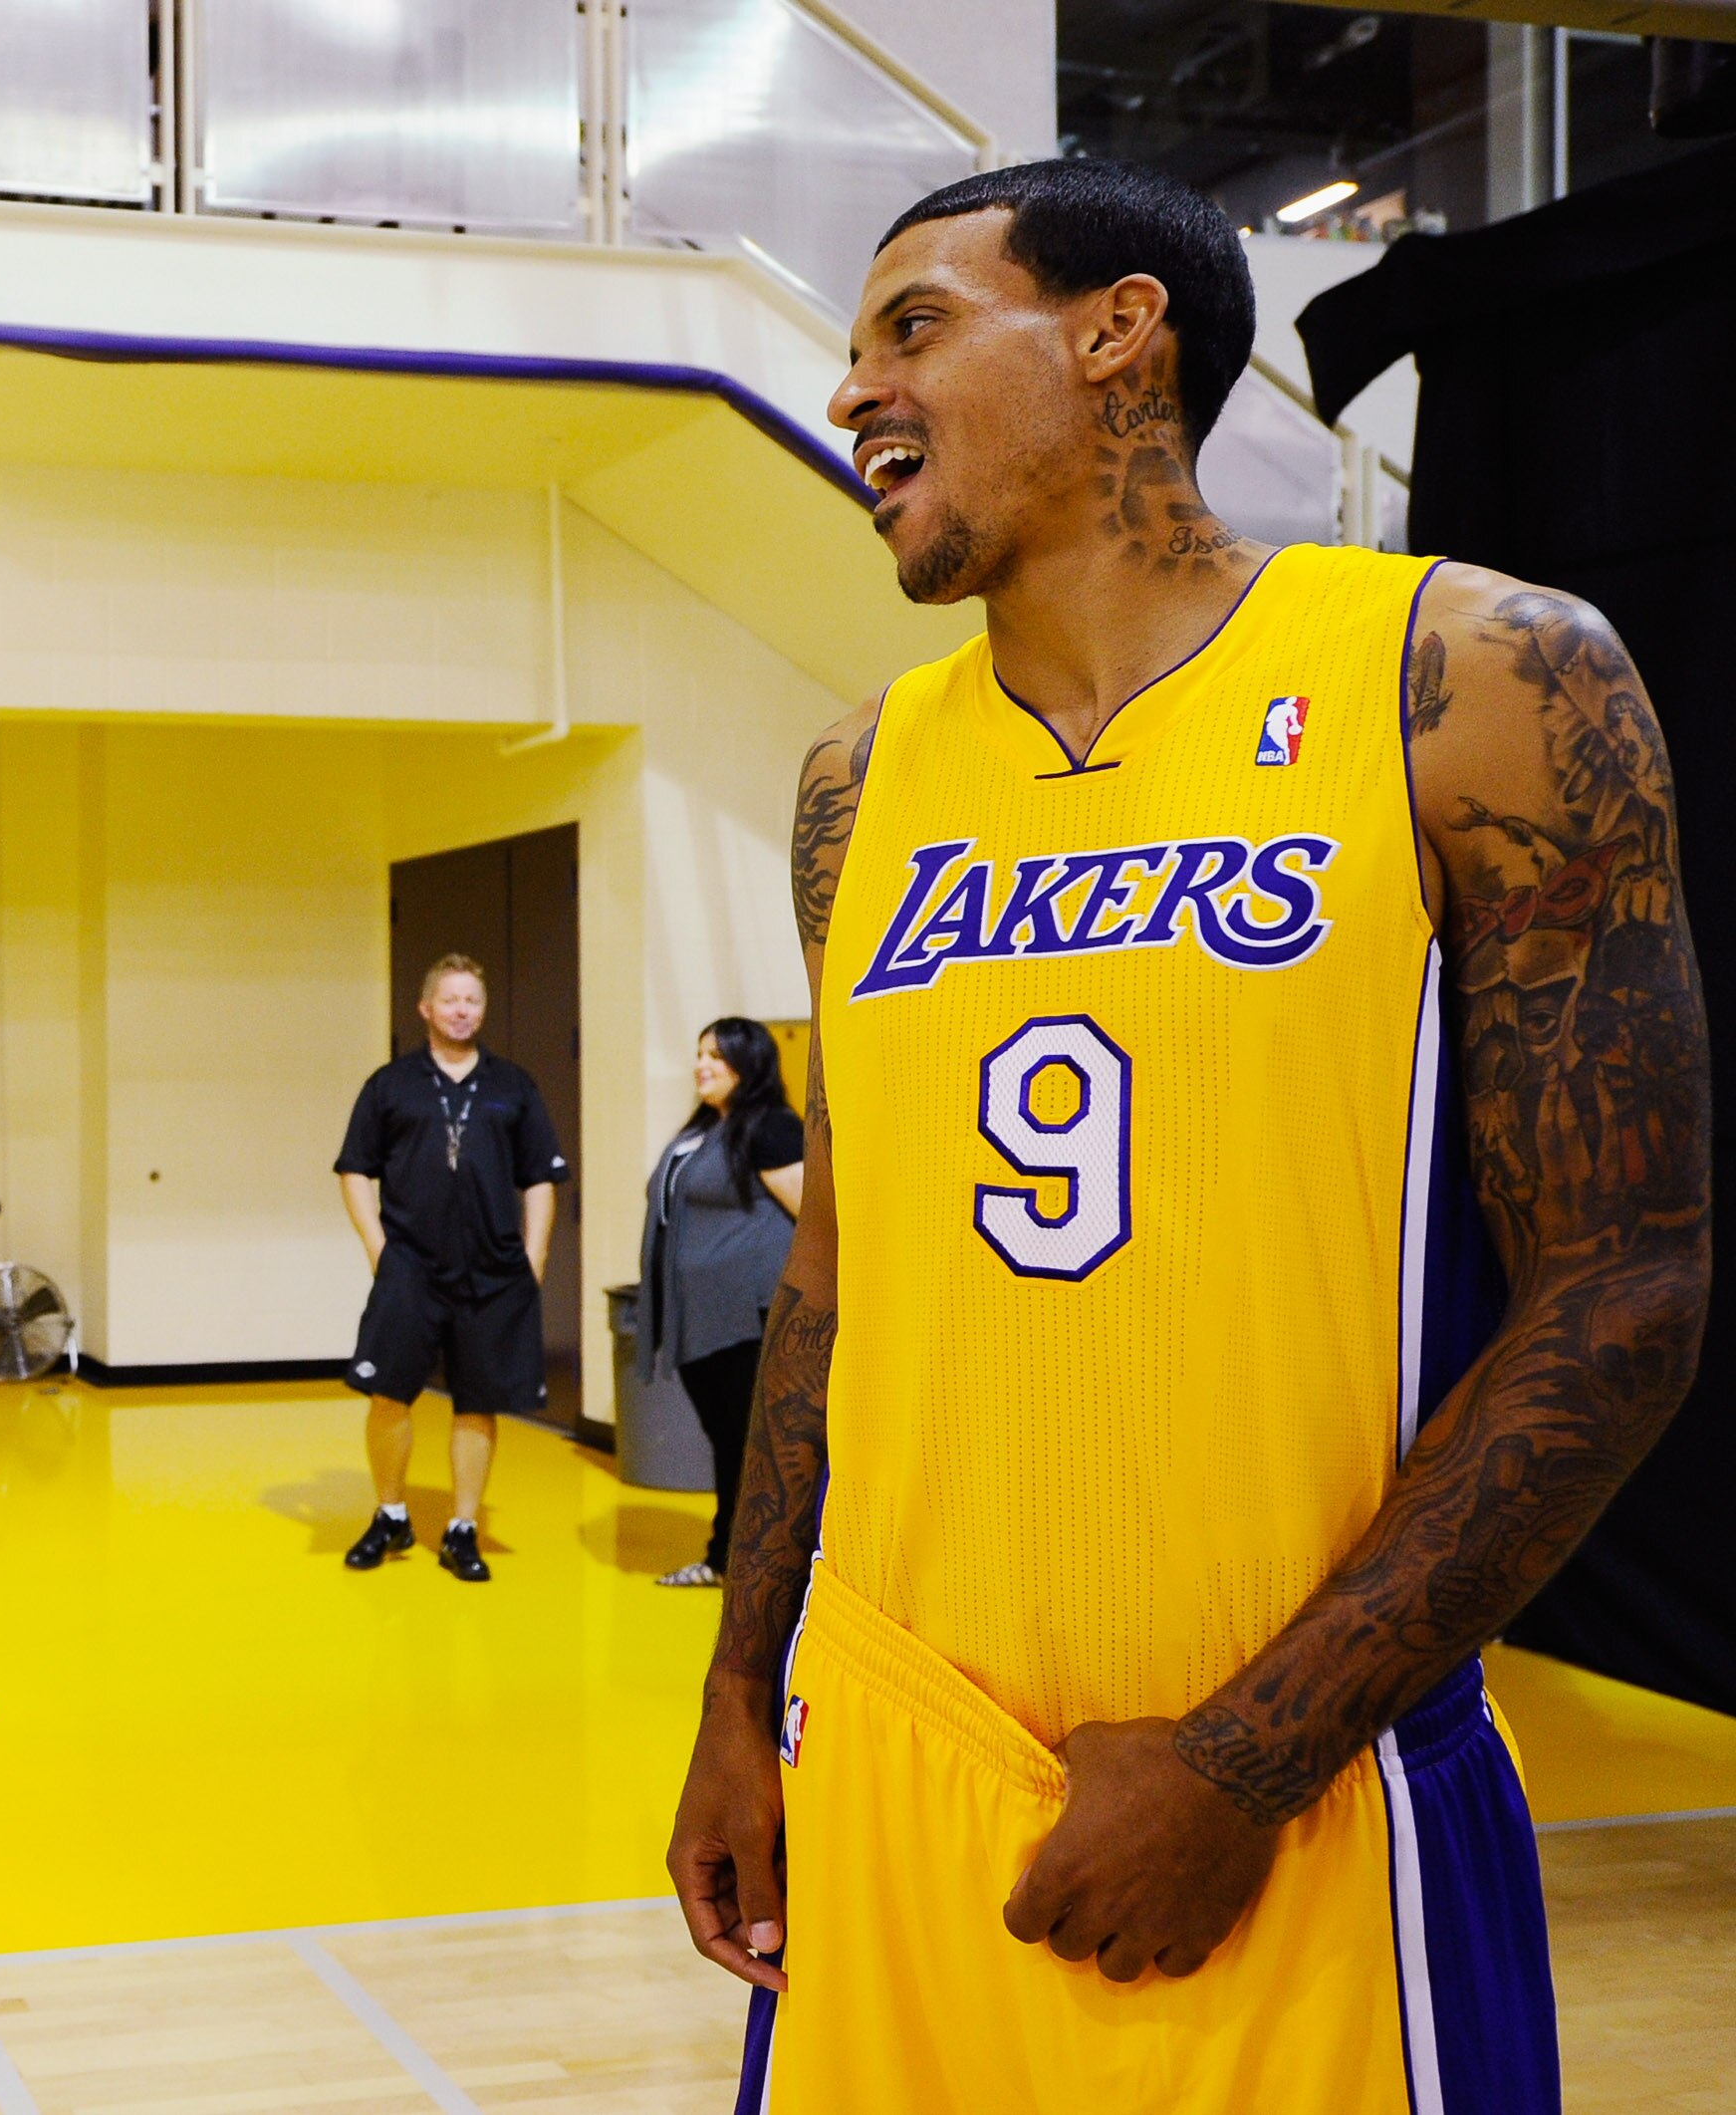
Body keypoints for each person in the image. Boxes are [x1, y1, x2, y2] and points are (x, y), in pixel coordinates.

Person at [664, 159, 1707, 2114]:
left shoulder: (1470, 677)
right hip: (888, 1753)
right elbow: (838, 1272)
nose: (853, 392)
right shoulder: (856, 784)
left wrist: (1248, 1753)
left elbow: (1627, 1286)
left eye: (914, 326)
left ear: (1118, 331)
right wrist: (736, 1695)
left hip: (1302, 1787)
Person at [334, 953, 568, 1583]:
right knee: (388, 1392)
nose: (463, 1010)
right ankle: (390, 1513)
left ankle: (462, 1528)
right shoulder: (391, 1084)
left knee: (477, 1401)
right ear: (426, 1008)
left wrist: (534, 1256)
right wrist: (379, 1249)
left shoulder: (512, 1086)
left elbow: (542, 1178)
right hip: (409, 1266)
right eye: (451, 1000)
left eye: (473, 1001)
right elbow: (354, 1169)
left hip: (492, 1271)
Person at [633, 1017, 803, 1590]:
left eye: (718, 1055)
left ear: (749, 1065)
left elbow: (815, 1219)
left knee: (748, 1442)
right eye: (699, 1051)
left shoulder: (772, 1128)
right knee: (728, 1439)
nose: (702, 1064)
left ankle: (747, 1564)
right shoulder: (704, 1129)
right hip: (698, 1319)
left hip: (745, 1319)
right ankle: (729, 1557)